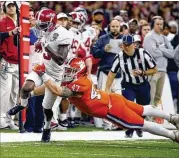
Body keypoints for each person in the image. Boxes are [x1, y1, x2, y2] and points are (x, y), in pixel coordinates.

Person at [32, 57, 179, 143]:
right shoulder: (76, 80)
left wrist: (43, 74)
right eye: (68, 70)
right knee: (142, 109)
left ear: (79, 72)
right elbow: (49, 88)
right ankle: (171, 117)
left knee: (143, 125)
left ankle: (173, 135)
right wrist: (31, 92)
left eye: (71, 71)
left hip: (110, 109)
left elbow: (57, 91)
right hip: (112, 99)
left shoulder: (80, 83)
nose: (68, 73)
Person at [8, 8, 73, 142]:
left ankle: (47, 128)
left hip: (55, 74)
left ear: (53, 22)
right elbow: (40, 32)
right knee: (25, 88)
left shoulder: (64, 34)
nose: (42, 26)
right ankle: (23, 105)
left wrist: (46, 46)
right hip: (42, 67)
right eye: (41, 23)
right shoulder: (46, 28)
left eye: (45, 24)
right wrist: (39, 43)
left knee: (46, 108)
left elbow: (61, 59)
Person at [105, 34, 157, 138]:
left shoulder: (143, 53)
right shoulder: (119, 56)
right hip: (128, 85)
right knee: (128, 106)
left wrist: (142, 72)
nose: (126, 47)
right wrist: (107, 89)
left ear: (134, 45)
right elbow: (112, 73)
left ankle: (137, 127)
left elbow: (154, 69)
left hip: (143, 84)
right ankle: (130, 128)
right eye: (124, 45)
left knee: (143, 108)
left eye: (128, 45)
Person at [92, 19, 123, 130]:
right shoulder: (102, 39)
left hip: (119, 73)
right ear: (109, 26)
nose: (115, 28)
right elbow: (94, 53)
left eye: (117, 26)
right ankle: (106, 123)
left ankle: (116, 122)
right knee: (104, 98)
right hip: (105, 72)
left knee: (118, 99)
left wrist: (125, 50)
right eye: (113, 26)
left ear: (120, 27)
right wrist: (103, 50)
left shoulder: (124, 39)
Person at [143, 16, 174, 111]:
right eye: (157, 24)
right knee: (151, 96)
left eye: (161, 24)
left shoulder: (164, 38)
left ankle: (152, 117)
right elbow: (152, 53)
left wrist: (160, 48)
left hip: (163, 70)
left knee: (158, 96)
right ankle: (148, 119)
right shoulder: (149, 36)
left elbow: (172, 54)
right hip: (153, 70)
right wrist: (165, 50)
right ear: (153, 25)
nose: (160, 26)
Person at [0, 1, 20, 129]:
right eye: (9, 6)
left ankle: (10, 118)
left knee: (14, 92)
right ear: (5, 8)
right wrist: (10, 33)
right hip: (6, 61)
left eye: (13, 5)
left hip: (19, 62)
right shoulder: (2, 22)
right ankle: (1, 117)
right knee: (5, 91)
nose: (11, 7)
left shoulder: (21, 23)